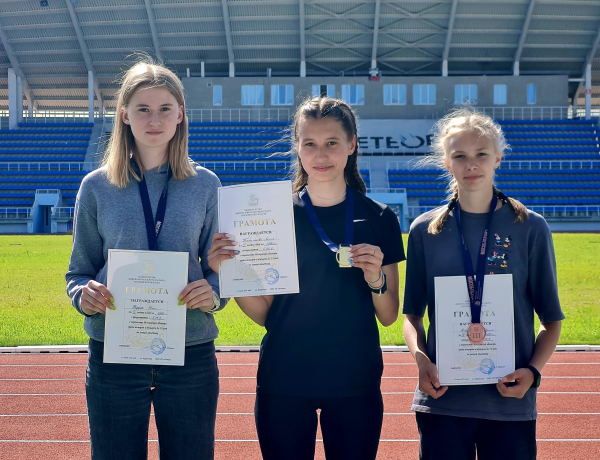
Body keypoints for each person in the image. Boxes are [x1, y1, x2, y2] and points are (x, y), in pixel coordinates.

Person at [208, 97, 405, 460]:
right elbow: (268, 314)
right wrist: (230, 273)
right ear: (297, 147)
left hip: (354, 379)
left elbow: (389, 314)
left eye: (332, 142)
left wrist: (376, 278)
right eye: (310, 144)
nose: (321, 154)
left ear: (351, 144)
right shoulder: (272, 215)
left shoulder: (380, 218)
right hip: (285, 377)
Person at [65, 61, 223, 460]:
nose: (155, 119)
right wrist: (83, 294)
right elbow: (78, 271)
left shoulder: (205, 184)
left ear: (181, 114)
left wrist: (215, 292)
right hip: (114, 354)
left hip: (190, 353)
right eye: (143, 109)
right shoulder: (96, 186)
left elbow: (221, 267)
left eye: (165, 108)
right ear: (124, 115)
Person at [402, 108, 564, 460]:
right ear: (446, 162)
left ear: (498, 160)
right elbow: (411, 317)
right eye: (459, 156)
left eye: (481, 155)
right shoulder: (424, 231)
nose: (471, 165)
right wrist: (421, 361)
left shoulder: (530, 228)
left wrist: (532, 372)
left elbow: (551, 322)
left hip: (509, 404)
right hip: (443, 402)